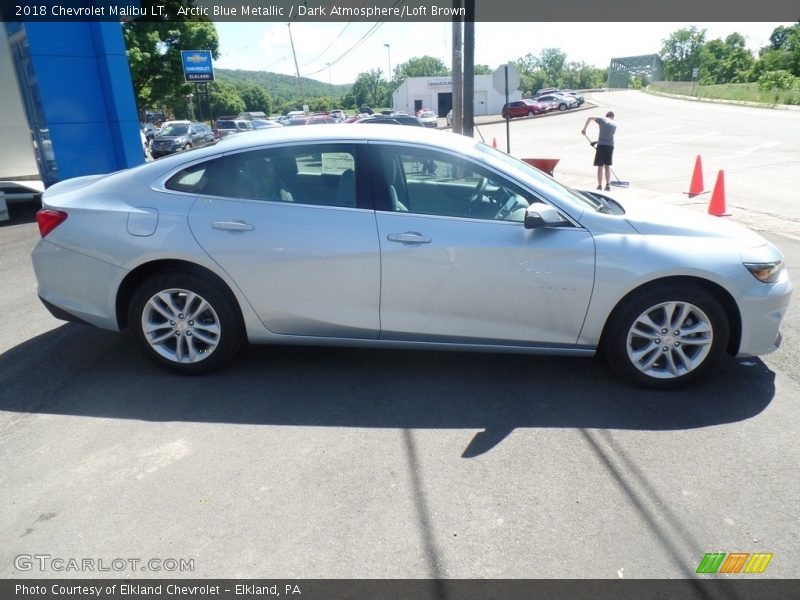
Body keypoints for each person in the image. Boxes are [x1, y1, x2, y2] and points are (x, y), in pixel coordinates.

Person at [581, 111, 616, 191]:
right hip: (610, 146)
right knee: (607, 166)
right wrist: (596, 142)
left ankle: (599, 185)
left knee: (600, 166)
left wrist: (584, 129)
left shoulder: (602, 120)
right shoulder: (614, 124)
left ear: (606, 116)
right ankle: (607, 185)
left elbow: (590, 118)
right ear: (612, 117)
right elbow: (607, 136)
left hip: (601, 146)